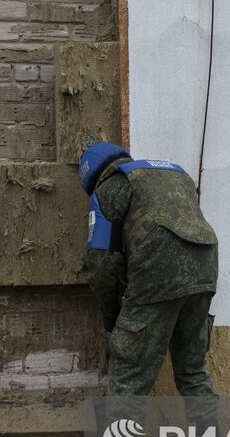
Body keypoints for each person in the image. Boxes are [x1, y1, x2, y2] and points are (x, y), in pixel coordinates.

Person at [78, 141, 219, 396]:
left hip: (158, 273)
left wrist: (112, 318)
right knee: (193, 373)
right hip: (205, 269)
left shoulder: (109, 188)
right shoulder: (173, 175)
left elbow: (100, 262)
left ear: (92, 177)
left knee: (127, 380)